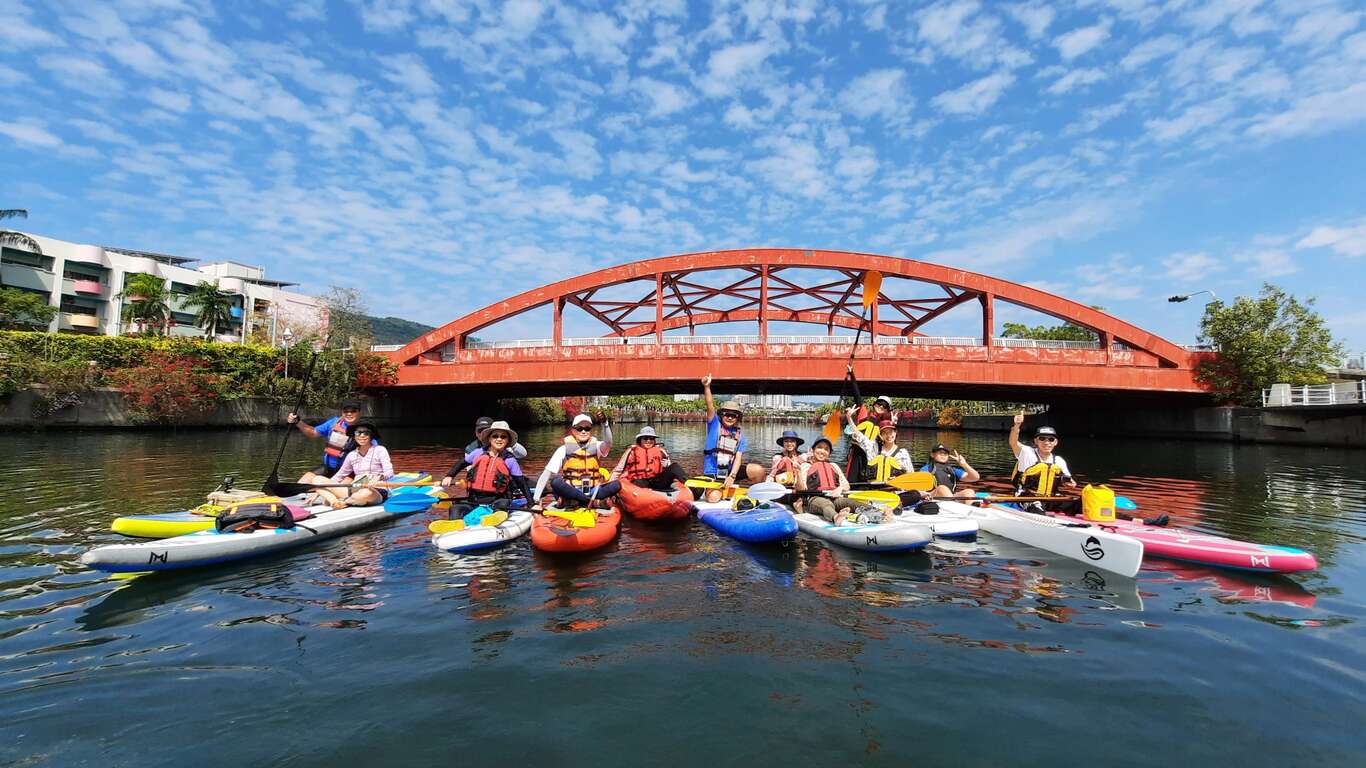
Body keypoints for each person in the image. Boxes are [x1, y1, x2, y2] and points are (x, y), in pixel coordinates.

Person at [444, 420, 532, 519]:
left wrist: (532, 503)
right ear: (489, 438)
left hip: (497, 500)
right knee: (454, 508)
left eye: (503, 437)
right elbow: (462, 463)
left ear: (507, 440)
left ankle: (494, 521)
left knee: (502, 504)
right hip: (474, 500)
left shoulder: (509, 460)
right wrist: (449, 476)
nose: (499, 439)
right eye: (495, 436)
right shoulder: (478, 453)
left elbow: (521, 483)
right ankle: (456, 527)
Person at [533, 413, 618, 508]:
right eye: (579, 428)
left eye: (587, 428)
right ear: (573, 430)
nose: (583, 431)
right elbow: (547, 473)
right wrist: (536, 500)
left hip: (593, 489)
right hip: (572, 490)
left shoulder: (597, 446)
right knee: (555, 482)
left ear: (591, 430)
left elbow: (609, 442)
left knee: (617, 485)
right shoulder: (564, 449)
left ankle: (576, 501)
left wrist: (605, 424)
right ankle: (589, 502)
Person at [700, 374, 764, 501]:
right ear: (722, 415)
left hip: (729, 471)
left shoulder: (740, 436)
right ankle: (717, 492)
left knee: (758, 470)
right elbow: (710, 405)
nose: (730, 417)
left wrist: (732, 476)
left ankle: (757, 496)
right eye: (727, 414)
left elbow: (738, 459)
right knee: (713, 498)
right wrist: (707, 387)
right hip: (713, 472)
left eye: (733, 415)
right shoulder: (714, 425)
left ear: (737, 418)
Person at [311, 422, 393, 509]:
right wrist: (319, 490)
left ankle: (343, 501)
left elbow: (389, 472)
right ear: (354, 436)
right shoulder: (351, 455)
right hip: (354, 488)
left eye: (366, 433)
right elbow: (339, 475)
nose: (361, 436)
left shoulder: (380, 450)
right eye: (358, 433)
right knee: (317, 479)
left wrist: (378, 478)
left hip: (376, 490)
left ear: (371, 436)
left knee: (365, 493)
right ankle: (335, 502)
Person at [286, 398, 369, 483]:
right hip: (328, 468)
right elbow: (313, 432)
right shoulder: (334, 423)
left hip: (350, 473)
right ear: (342, 412)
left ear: (359, 413)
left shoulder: (366, 430)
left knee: (338, 489)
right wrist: (297, 422)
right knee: (303, 482)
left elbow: (374, 454)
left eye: (353, 411)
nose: (349, 413)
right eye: (346, 411)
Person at [1008, 412, 1076, 511]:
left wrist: (1071, 484)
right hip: (1027, 496)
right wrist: (1017, 426)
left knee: (1078, 505)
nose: (1046, 442)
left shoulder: (1059, 461)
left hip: (1050, 497)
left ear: (1055, 442)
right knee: (1036, 508)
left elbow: (1070, 481)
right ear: (1036, 441)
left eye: (1051, 439)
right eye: (1042, 438)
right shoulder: (1027, 453)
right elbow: (1013, 443)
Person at [796, 437, 869, 525]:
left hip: (834, 498)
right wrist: (798, 473)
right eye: (819, 447)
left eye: (826, 449)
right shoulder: (805, 466)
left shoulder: (833, 466)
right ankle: (836, 517)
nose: (822, 451)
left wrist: (840, 488)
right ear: (812, 450)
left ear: (829, 453)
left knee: (852, 503)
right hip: (814, 499)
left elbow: (846, 485)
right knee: (826, 504)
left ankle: (878, 513)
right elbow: (800, 489)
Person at [842, 364, 894, 483]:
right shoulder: (864, 413)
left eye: (884, 406)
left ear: (887, 410)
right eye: (879, 403)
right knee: (852, 479)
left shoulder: (884, 424)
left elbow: (888, 441)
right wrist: (852, 374)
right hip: (857, 452)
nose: (880, 406)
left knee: (868, 478)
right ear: (874, 404)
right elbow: (857, 395)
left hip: (871, 454)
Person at [443, 415, 528, 485]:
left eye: (486, 430)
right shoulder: (471, 449)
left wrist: (509, 443)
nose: (482, 433)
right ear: (476, 433)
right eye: (480, 431)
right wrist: (450, 476)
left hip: (510, 479)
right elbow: (471, 471)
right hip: (488, 482)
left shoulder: (503, 441)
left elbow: (523, 454)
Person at [609, 425, 690, 490]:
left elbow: (669, 469)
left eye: (651, 438)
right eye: (645, 438)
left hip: (657, 481)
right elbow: (618, 470)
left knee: (674, 467)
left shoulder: (661, 451)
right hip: (639, 480)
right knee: (638, 483)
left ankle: (692, 488)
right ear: (640, 440)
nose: (648, 441)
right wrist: (610, 483)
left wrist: (667, 465)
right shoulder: (631, 451)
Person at [845, 418, 912, 484]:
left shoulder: (902, 453)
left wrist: (897, 479)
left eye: (890, 432)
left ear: (895, 432)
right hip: (874, 489)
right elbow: (860, 436)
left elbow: (910, 474)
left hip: (894, 489)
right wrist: (849, 418)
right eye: (884, 433)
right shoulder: (874, 448)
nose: (888, 435)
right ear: (880, 435)